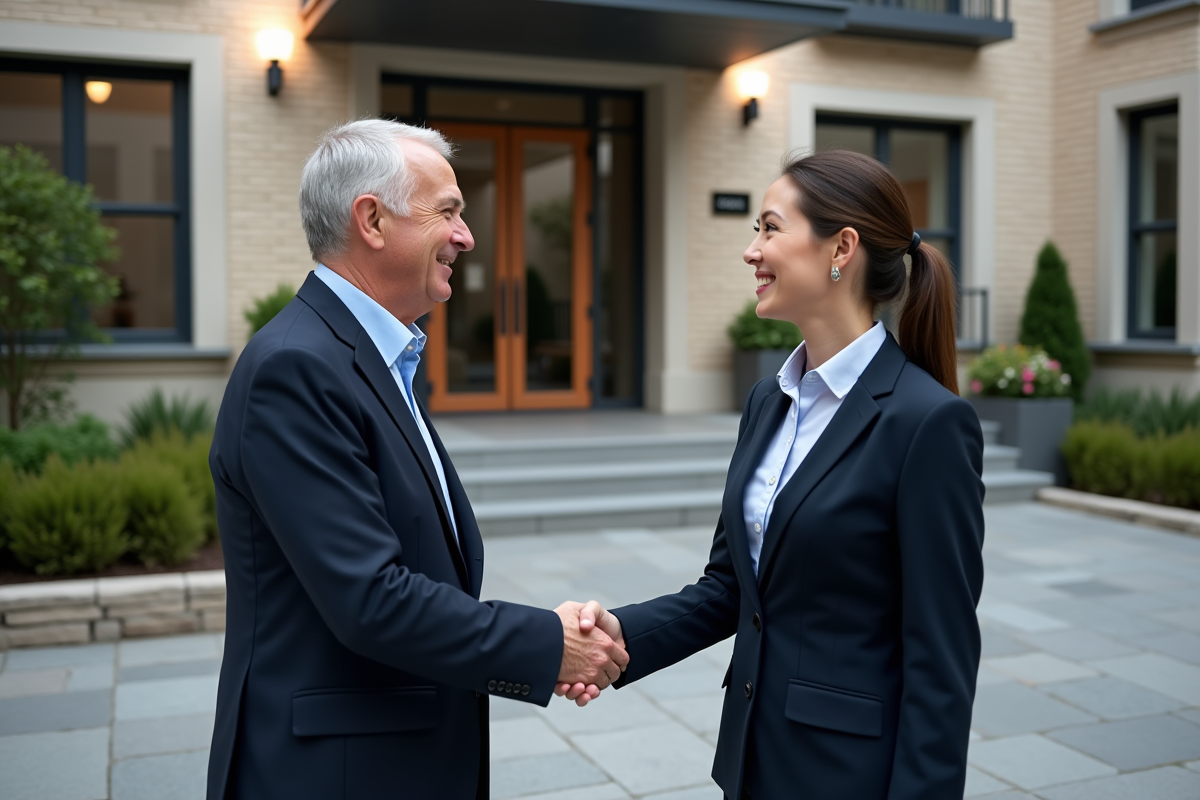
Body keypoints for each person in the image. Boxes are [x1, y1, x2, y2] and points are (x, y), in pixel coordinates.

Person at [206, 119, 626, 800]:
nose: (467, 237)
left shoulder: (371, 356)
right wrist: (550, 646)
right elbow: (371, 597)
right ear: (371, 219)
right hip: (336, 774)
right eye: (450, 212)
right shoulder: (296, 368)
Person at [567, 150, 986, 800]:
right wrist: (622, 636)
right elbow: (732, 588)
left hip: (849, 777)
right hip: (752, 763)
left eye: (768, 228)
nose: (750, 250)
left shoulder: (928, 424)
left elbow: (942, 658)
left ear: (840, 248)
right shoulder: (770, 402)